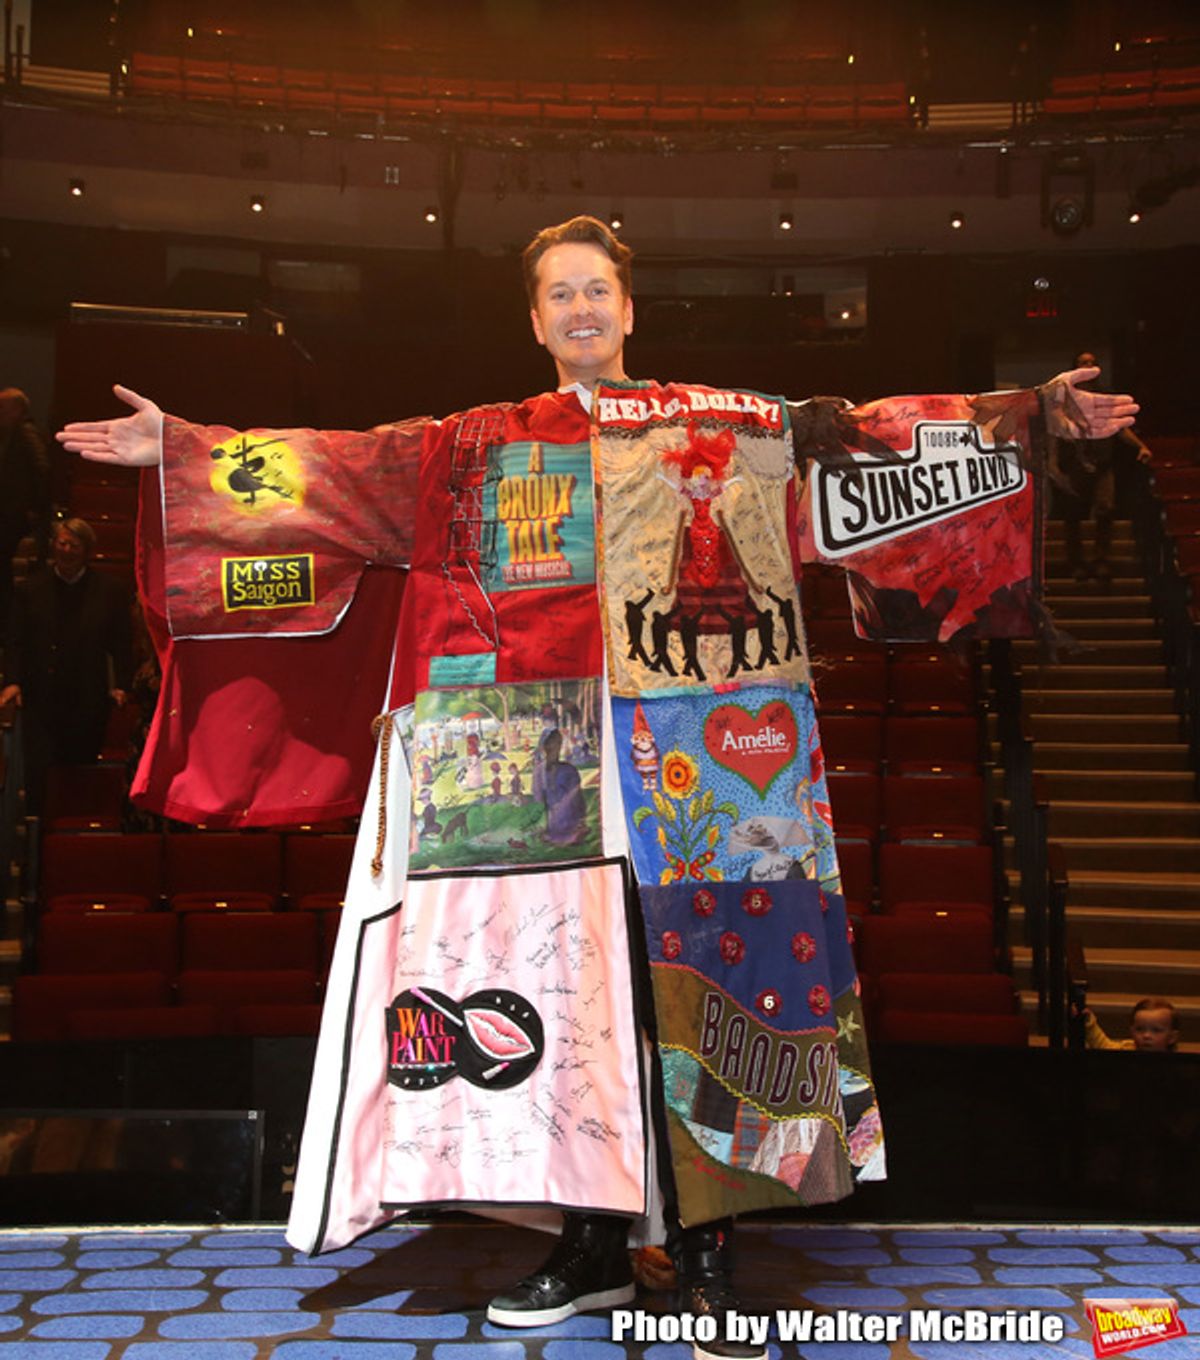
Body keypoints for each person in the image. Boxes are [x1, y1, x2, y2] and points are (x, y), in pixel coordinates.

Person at [58, 216, 1137, 1360]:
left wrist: (1030, 417)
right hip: (527, 765)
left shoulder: (721, 422)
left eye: (598, 290)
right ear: (535, 320)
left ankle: (713, 1261)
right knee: (564, 1013)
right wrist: (180, 449)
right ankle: (586, 1243)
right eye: (559, 294)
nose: (580, 309)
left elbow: (859, 443)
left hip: (713, 754)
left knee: (724, 990)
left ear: (629, 309)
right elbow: (333, 465)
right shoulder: (467, 446)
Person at [1, 516, 132, 812]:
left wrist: (122, 684)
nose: (67, 550)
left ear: (86, 550)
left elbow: (121, 643)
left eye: (74, 545)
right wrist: (12, 681)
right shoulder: (31, 590)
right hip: (41, 698)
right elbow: (15, 642)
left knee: (80, 772)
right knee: (39, 775)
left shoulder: (108, 591)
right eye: (62, 543)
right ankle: (38, 842)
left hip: (87, 698)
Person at [1050, 350, 1151, 581]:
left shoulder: (1105, 397)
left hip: (1103, 461)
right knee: (1073, 515)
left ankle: (1101, 559)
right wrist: (1053, 461)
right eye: (1083, 363)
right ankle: (1076, 562)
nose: (1087, 366)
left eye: (1091, 363)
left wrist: (1140, 446)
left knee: (1106, 507)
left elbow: (1120, 428)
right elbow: (1055, 431)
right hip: (1074, 463)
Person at [0, 387, 51, 622]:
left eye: (3, 408)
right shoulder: (19, 434)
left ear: (18, 410)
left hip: (18, 513)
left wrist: (34, 507)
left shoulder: (26, 434)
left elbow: (41, 471)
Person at [1084, 998, 1180, 1052]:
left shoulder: (1177, 1063)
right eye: (1140, 1029)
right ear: (1132, 1031)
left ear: (1172, 1037)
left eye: (1156, 1030)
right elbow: (1103, 1045)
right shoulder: (1126, 1049)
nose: (1146, 1036)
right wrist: (1090, 1023)